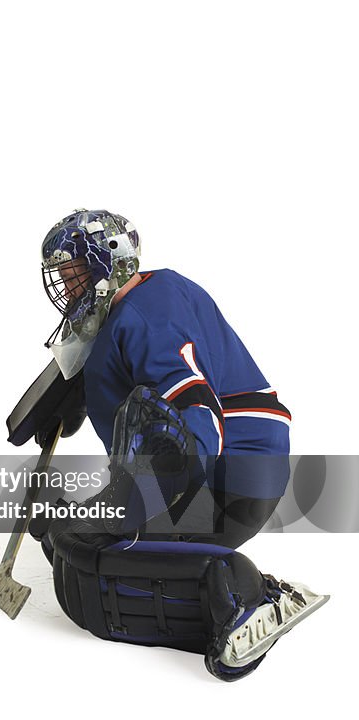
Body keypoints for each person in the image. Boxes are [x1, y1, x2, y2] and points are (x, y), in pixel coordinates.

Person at [25, 209, 326, 680]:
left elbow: (193, 404)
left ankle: (244, 597)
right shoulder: (141, 302)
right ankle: (218, 581)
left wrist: (143, 508)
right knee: (68, 533)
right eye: (62, 274)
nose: (67, 284)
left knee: (83, 553)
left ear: (109, 261)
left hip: (224, 473)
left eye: (75, 270)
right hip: (242, 469)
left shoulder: (146, 315)